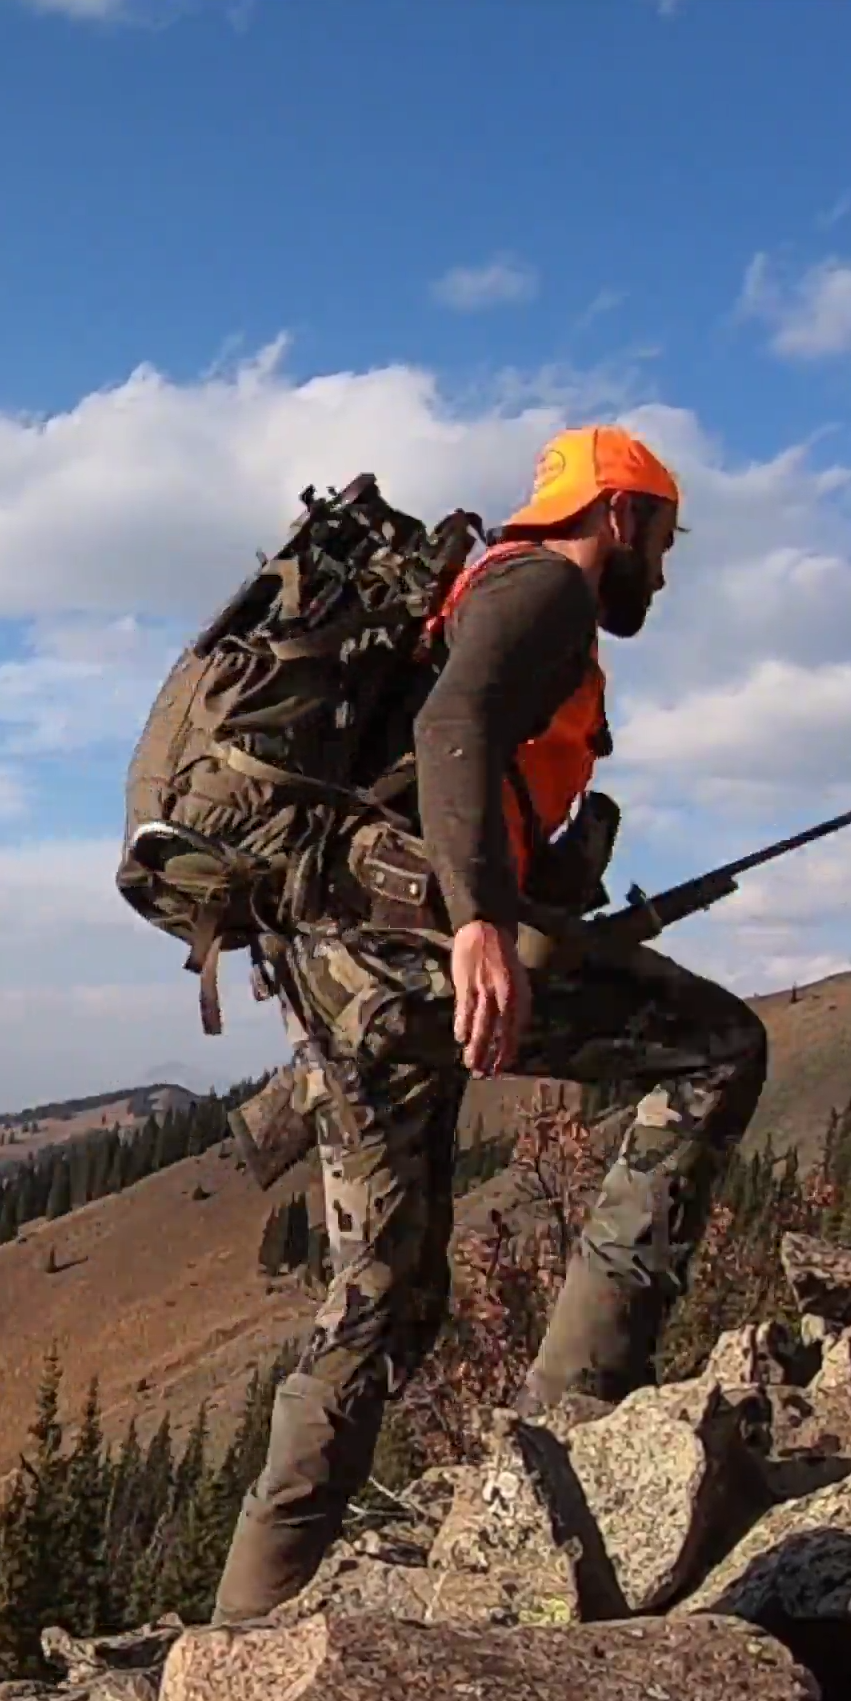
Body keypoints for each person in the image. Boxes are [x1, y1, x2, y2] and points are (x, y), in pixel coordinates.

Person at [211, 424, 771, 1622]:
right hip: (421, 960)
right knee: (720, 1049)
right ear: (618, 515)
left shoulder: (473, 591)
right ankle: (568, 1436)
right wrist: (478, 927)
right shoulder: (545, 590)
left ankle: (249, 1619)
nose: (664, 570)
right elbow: (451, 730)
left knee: (382, 1296)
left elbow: (454, 767)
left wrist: (538, 904)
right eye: (664, 538)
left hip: (344, 968)